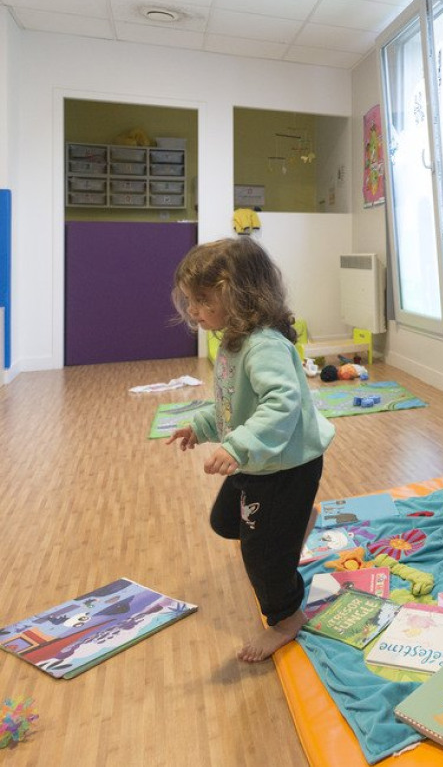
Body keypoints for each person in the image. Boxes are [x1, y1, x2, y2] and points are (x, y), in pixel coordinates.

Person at [167, 237, 335, 663]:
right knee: (226, 521)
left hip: (286, 465)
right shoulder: (232, 340)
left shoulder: (264, 345)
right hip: (260, 458)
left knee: (260, 556)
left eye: (202, 301)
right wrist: (202, 426)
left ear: (238, 295)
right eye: (190, 301)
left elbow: (282, 402)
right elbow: (230, 402)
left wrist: (238, 445)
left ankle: (286, 620)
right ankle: (298, 520)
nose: (192, 311)